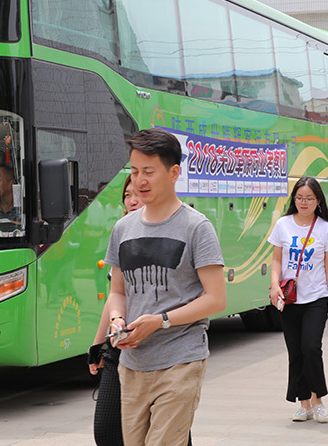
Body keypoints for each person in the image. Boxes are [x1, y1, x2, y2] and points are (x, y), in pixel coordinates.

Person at [106, 128, 227, 446]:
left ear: (174, 173)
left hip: (180, 359)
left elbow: (216, 299)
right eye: (134, 172)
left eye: (149, 171)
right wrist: (117, 321)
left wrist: (160, 321)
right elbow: (117, 291)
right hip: (132, 365)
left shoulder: (196, 227)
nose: (139, 181)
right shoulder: (123, 228)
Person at [269, 176, 328, 423]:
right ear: (294, 199)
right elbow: (277, 259)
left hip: (317, 297)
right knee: (296, 352)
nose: (304, 202)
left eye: (309, 198)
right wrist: (274, 285)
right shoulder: (283, 224)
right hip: (289, 299)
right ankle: (304, 404)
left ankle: (318, 399)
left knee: (311, 348)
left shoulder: (325, 228)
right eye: (300, 198)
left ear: (318, 200)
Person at [89, 175, 144, 446]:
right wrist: (98, 345)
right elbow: (114, 296)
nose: (132, 200)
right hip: (119, 344)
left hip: (156, 345)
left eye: (138, 194)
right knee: (107, 431)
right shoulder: (121, 233)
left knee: (166, 434)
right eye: (127, 195)